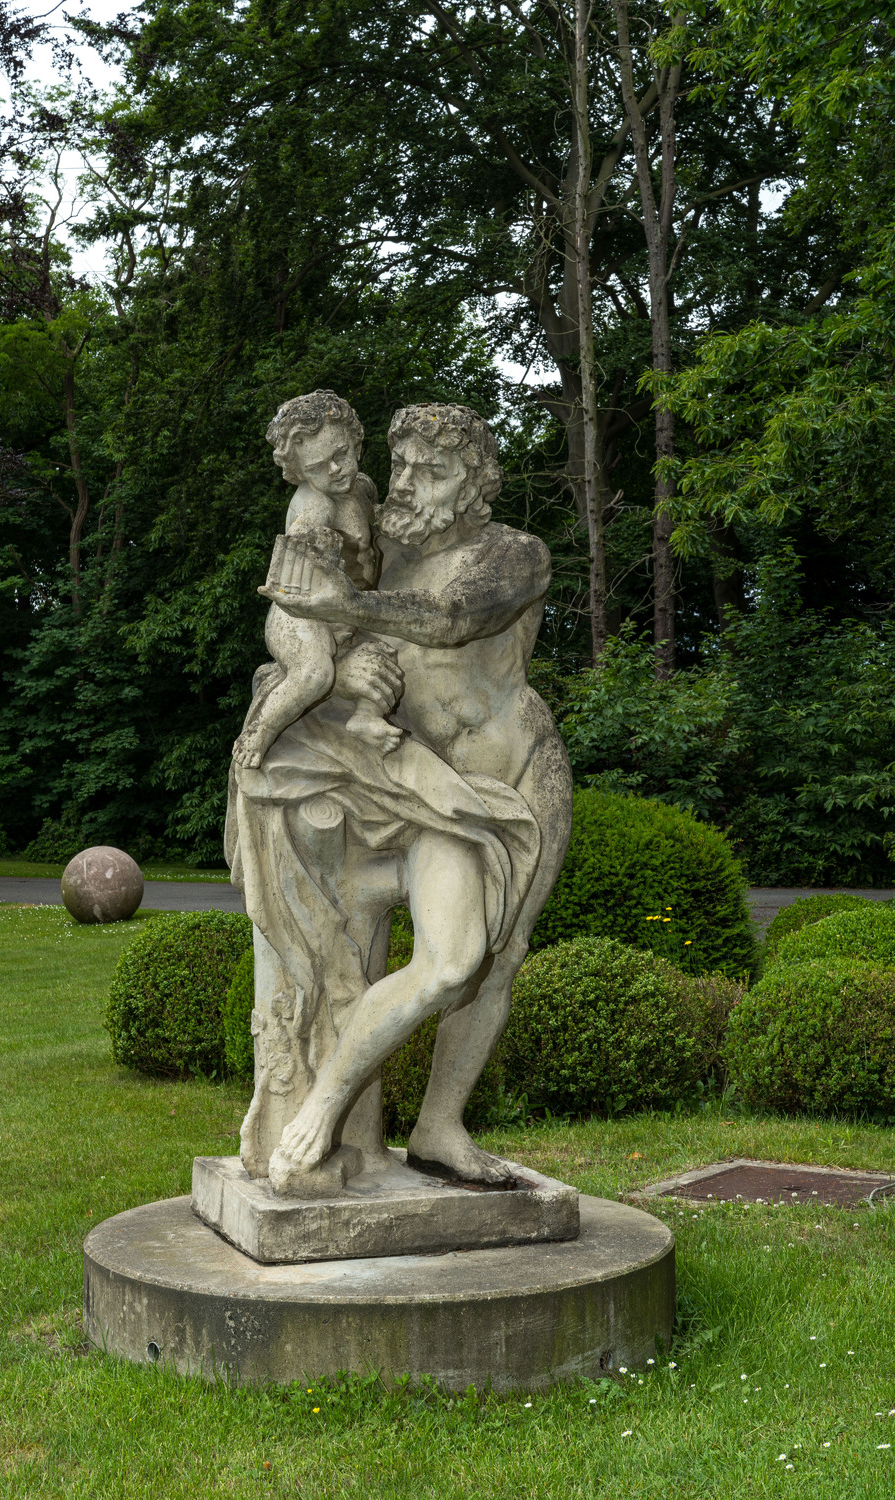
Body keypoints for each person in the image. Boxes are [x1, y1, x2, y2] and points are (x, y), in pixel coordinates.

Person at [238, 402, 571, 1187]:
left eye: (436, 470)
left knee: (499, 960)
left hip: (514, 775)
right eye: (408, 466)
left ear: (477, 483)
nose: (412, 484)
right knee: (455, 963)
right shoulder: (381, 544)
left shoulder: (514, 554)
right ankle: (326, 1101)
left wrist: (340, 607)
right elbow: (308, 619)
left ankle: (439, 1128)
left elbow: (448, 621)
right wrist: (344, 663)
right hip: (423, 788)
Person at [231, 389, 401, 770]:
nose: (336, 470)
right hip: (300, 611)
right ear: (298, 472)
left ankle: (364, 716)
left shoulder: (362, 487)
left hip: (349, 608)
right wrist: (313, 538)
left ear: (356, 442)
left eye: (341, 455)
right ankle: (258, 732)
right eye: (318, 467)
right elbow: (304, 532)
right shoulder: (316, 502)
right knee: (313, 673)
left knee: (396, 649)